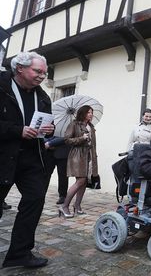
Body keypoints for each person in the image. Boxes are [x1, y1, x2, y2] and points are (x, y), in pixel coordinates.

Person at [0, 51, 55, 268]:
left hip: (31, 159)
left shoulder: (43, 97)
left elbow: (48, 128)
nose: (42, 76)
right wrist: (17, 131)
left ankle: (20, 254)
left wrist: (49, 130)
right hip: (3, 158)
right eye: (38, 71)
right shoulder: (2, 88)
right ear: (20, 69)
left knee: (34, 200)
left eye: (45, 72)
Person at [59, 105, 98, 218]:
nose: (91, 114)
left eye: (91, 112)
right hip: (78, 156)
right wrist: (82, 138)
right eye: (88, 112)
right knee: (80, 181)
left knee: (85, 182)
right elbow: (66, 140)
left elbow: (93, 144)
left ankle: (77, 206)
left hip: (89, 156)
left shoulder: (90, 126)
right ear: (83, 113)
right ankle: (64, 206)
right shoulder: (74, 124)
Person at [45, 136, 70, 204]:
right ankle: (41, 194)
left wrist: (51, 143)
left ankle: (62, 196)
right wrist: (47, 142)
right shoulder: (51, 125)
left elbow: (67, 137)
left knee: (63, 176)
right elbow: (43, 135)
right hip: (49, 153)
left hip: (63, 152)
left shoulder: (68, 126)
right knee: (45, 175)